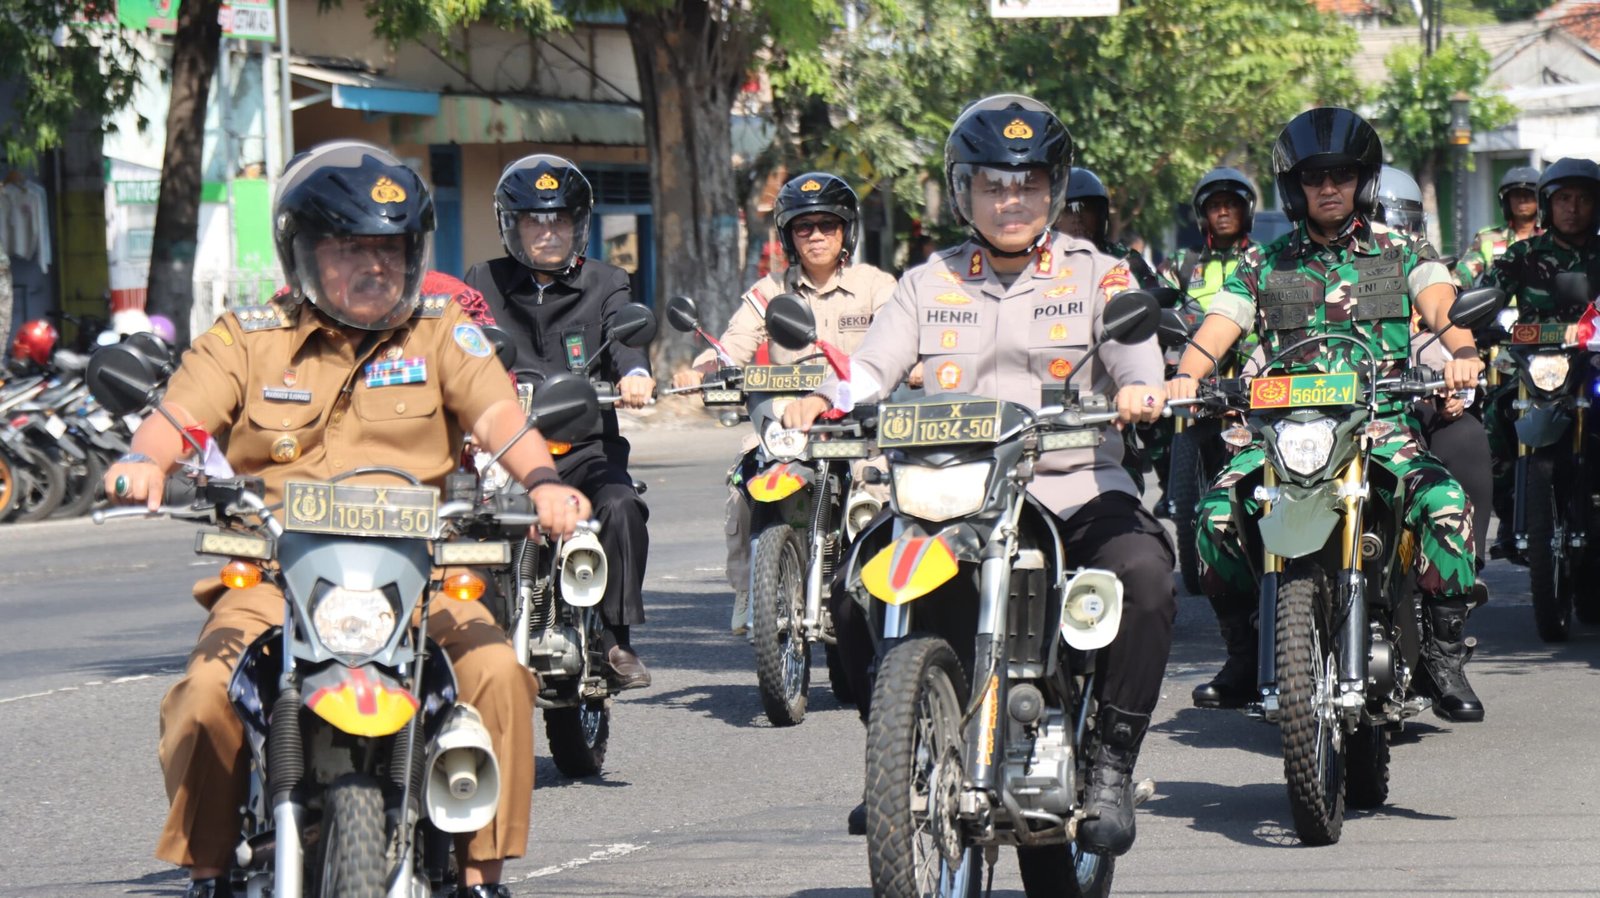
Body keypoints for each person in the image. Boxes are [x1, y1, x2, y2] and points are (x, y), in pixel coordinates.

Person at [102, 141, 586, 898]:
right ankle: (209, 872)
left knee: (498, 672)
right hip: (277, 575)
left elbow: (498, 415)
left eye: (390, 250)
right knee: (204, 696)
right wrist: (146, 462)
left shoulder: (439, 332)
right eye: (350, 249)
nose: (375, 266)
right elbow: (181, 416)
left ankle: (481, 876)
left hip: (421, 576)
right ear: (303, 253)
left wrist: (546, 482)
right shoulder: (248, 337)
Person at [783, 94, 1174, 857]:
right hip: (951, 494)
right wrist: (824, 397)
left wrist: (1141, 389)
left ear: (1055, 190)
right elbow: (871, 367)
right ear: (964, 192)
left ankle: (1109, 765)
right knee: (855, 589)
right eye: (993, 185)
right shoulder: (927, 282)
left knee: (1147, 575)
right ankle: (899, 756)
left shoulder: (1099, 275)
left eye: (1029, 185)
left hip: (1073, 486)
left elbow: (1136, 355)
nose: (1011, 201)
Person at [1167, 107, 1486, 723]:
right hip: (1282, 433)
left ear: (1362, 181)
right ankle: (1243, 654)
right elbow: (1221, 322)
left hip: (1379, 426)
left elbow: (1440, 302)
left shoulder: (1400, 249)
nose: (1329, 187)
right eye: (1315, 177)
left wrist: (1464, 353)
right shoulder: (1263, 263)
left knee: (1446, 505)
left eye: (1341, 175)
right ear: (1296, 188)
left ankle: (1443, 657)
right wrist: (1187, 374)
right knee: (1214, 515)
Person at [670, 171, 898, 634]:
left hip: (861, 425)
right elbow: (732, 344)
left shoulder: (876, 286)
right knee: (744, 480)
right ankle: (748, 588)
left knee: (880, 490)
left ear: (846, 231)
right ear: (789, 236)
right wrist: (702, 369)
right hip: (789, 426)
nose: (816, 236)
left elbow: (897, 341)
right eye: (803, 227)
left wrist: (911, 366)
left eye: (827, 225)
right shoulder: (769, 291)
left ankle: (882, 595)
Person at [463, 154, 656, 688]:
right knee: (459, 523)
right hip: (504, 452)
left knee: (621, 506)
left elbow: (624, 338)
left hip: (584, 448)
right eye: (534, 221)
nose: (548, 232)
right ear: (511, 226)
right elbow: (459, 343)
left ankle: (616, 638)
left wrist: (635, 374)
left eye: (560, 220)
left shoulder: (607, 280)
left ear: (579, 226)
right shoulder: (483, 281)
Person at [1479, 158, 1600, 560]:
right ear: (1548, 204)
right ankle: (1510, 515)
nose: (1573, 208)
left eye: (1583, 199)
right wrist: (1479, 322)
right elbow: (1486, 294)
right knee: (1494, 416)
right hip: (1536, 368)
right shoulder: (1523, 253)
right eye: (1563, 199)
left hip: (1593, 364)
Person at [1379, 164, 1496, 565]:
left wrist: (1458, 386)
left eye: (1404, 224)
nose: (1393, 235)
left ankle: (1461, 565)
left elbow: (1452, 329)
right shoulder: (1319, 271)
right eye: (1383, 222)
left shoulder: (1431, 275)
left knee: (1466, 434)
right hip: (1337, 415)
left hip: (1416, 405)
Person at [1456, 165, 1541, 287]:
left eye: (1528, 194)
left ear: (1539, 200)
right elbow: (1465, 270)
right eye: (1516, 194)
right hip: (1498, 299)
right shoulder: (1487, 238)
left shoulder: (1552, 238)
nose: (1522, 200)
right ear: (1506, 201)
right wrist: (1451, 285)